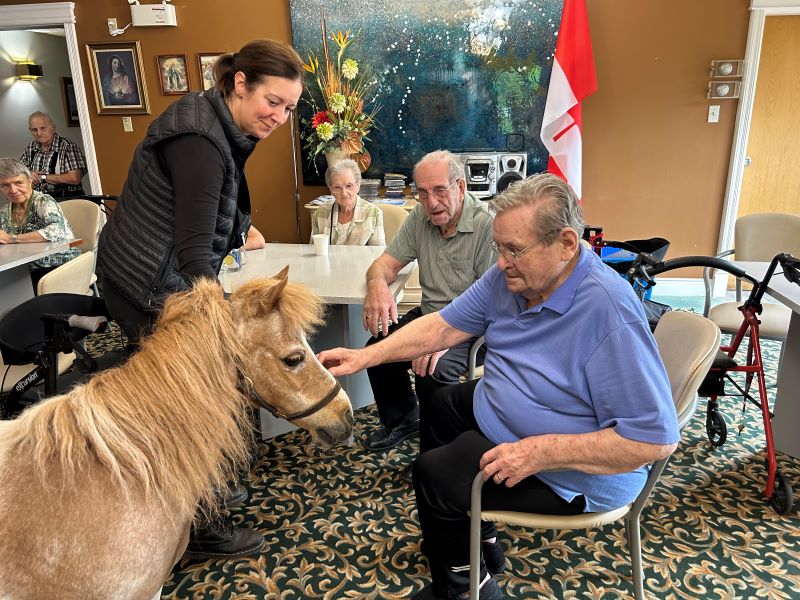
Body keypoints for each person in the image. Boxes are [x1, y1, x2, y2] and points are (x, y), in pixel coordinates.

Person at [318, 173, 679, 600]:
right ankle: (476, 536)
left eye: (514, 250)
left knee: (433, 475)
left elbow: (653, 441)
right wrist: (365, 356)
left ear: (566, 243)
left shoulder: (608, 311)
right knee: (442, 405)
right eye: (499, 247)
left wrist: (538, 452)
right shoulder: (511, 279)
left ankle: (470, 589)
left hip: (570, 470)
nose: (502, 261)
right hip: (513, 412)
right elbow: (441, 326)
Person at [96, 39, 304, 560]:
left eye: (289, 108)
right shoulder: (200, 138)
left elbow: (209, 210)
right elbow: (192, 251)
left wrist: (239, 229)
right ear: (240, 83)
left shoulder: (211, 119)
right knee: (197, 399)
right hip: (148, 285)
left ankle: (208, 496)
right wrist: (214, 330)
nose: (279, 116)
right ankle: (201, 530)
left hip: (142, 271)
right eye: (273, 102)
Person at [360, 150, 496, 452]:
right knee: (378, 349)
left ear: (460, 187)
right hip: (430, 314)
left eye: (439, 190)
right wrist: (377, 286)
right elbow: (384, 264)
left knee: (431, 369)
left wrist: (443, 337)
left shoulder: (488, 225)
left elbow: (492, 303)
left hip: (475, 327)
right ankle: (403, 420)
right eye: (422, 193)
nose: (431, 202)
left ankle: (437, 451)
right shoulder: (419, 218)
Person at [0, 158, 81, 292]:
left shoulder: (43, 201)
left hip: (60, 263)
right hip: (25, 266)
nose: (13, 190)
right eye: (5, 185)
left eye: (18, 183)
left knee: (12, 287)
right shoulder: (4, 211)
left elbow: (56, 230)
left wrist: (12, 239)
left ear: (30, 181)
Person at [311, 158, 385, 246]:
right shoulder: (321, 213)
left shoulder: (373, 213)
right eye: (337, 187)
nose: (344, 193)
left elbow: (378, 253)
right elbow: (313, 249)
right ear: (330, 189)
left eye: (349, 186)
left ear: (358, 185)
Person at [20, 111, 87, 199]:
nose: (39, 133)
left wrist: (43, 177)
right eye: (34, 130)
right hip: (38, 201)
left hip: (66, 201)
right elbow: (18, 173)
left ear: (53, 128)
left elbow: (74, 178)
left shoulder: (67, 146)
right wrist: (29, 174)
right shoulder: (31, 147)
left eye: (43, 128)